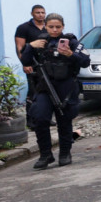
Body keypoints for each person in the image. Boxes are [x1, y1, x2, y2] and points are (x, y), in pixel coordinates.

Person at [20, 13, 89, 169]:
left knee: (64, 121)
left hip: (66, 87)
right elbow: (25, 61)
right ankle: (45, 155)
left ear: (63, 27)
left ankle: (65, 153)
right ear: (45, 26)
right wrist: (30, 46)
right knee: (40, 118)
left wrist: (71, 55)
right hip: (45, 86)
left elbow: (85, 62)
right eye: (51, 27)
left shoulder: (71, 42)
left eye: (58, 27)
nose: (55, 29)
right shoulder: (41, 43)